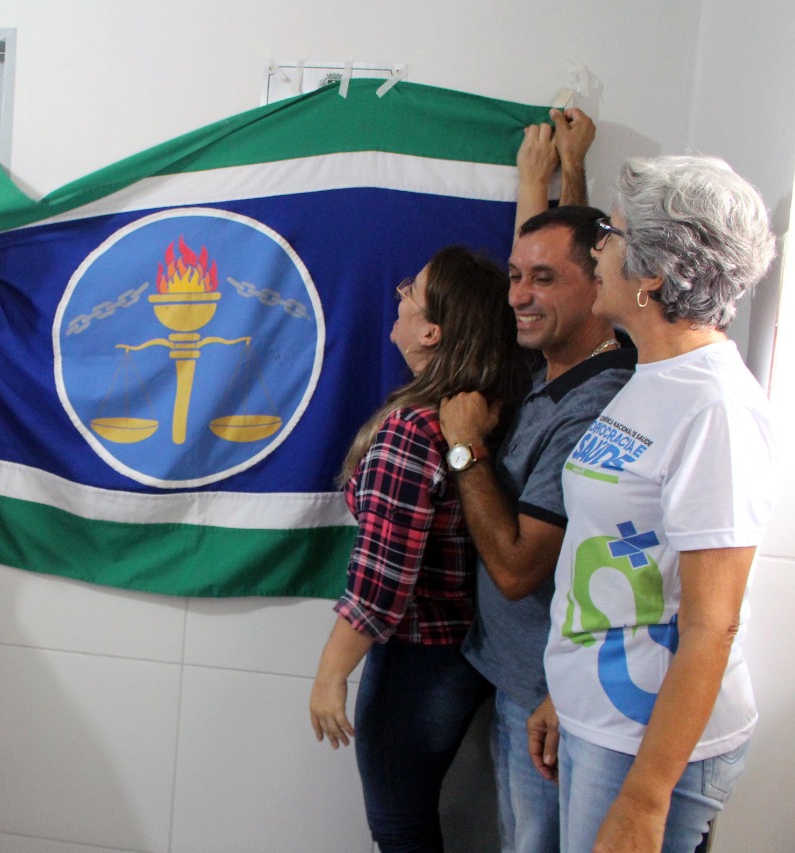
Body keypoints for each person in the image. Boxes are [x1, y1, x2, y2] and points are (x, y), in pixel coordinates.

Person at [538, 155, 776, 852]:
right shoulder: (655, 374)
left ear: (654, 276)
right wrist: (567, 690)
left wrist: (645, 797)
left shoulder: (715, 407)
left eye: (609, 234)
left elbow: (712, 624)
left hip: (645, 742)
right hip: (602, 714)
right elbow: (616, 553)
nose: (597, 249)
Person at [438, 110, 637, 853]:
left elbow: (520, 568)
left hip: (553, 703)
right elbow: (563, 250)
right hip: (519, 679)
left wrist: (465, 449)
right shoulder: (551, 363)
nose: (518, 295)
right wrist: (551, 175)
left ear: (603, 287)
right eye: (515, 277)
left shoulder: (596, 404)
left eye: (541, 281)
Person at [309, 245, 531, 852]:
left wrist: (331, 674)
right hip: (463, 651)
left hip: (419, 661)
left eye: (412, 289)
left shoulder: (413, 429)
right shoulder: (487, 411)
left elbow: (381, 581)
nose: (400, 294)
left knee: (399, 827)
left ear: (432, 331)